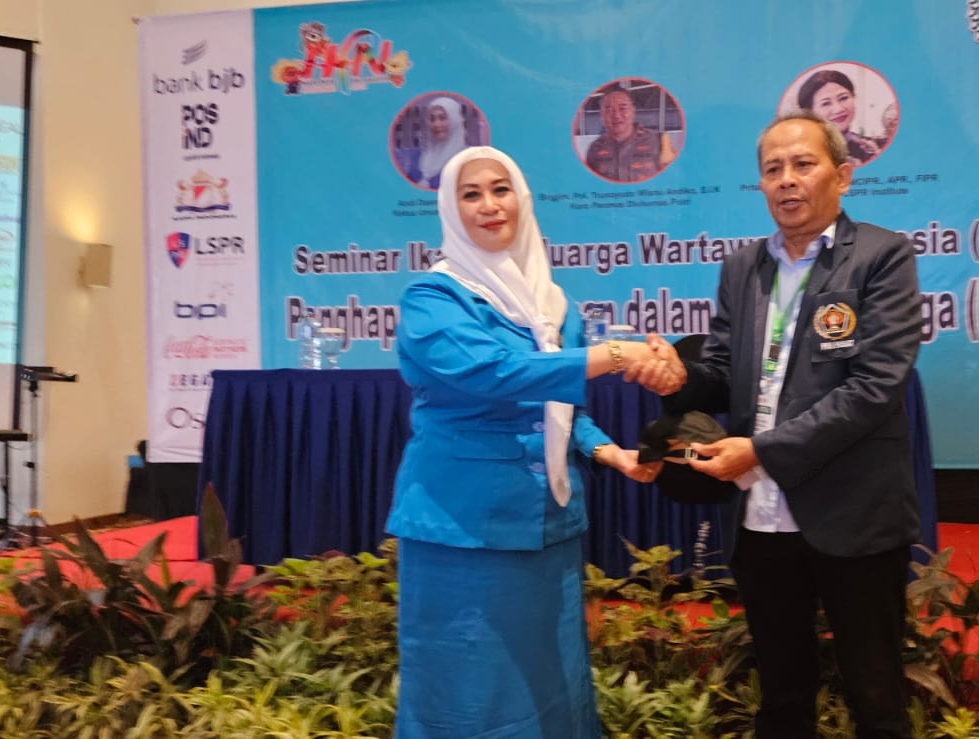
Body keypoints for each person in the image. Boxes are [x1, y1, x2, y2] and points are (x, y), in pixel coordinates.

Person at [630, 112, 923, 738]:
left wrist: (761, 451)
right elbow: (719, 374)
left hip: (852, 511)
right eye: (772, 169)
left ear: (842, 175)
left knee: (876, 699)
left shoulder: (882, 256)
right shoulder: (743, 267)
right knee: (783, 697)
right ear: (761, 184)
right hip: (761, 517)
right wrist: (676, 377)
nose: (787, 179)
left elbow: (874, 388)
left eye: (803, 164)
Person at [389, 146, 682, 738]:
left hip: (548, 523)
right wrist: (618, 353)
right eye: (471, 194)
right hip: (465, 527)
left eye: (501, 190)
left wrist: (610, 453)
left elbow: (560, 408)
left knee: (553, 686)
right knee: (469, 693)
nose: (489, 205)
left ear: (522, 200)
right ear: (450, 209)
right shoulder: (432, 299)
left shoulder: (552, 305)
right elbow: (497, 373)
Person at [796, 69, 890, 167]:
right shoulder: (801, 154)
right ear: (809, 113)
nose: (839, 109)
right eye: (826, 103)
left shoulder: (872, 147)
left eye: (843, 98)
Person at [583, 86, 677, 183]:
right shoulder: (594, 149)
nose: (616, 115)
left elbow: (672, 181)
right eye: (609, 110)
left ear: (633, 111)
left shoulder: (659, 141)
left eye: (623, 108)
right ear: (601, 115)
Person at [406, 96, 468, 189]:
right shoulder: (417, 156)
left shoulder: (466, 160)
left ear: (454, 121)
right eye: (432, 119)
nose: (436, 124)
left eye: (442, 118)